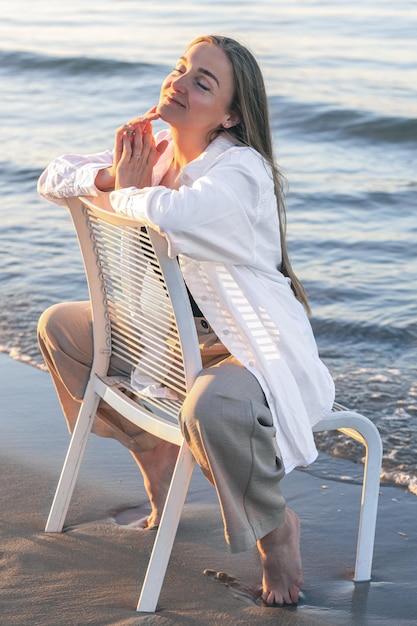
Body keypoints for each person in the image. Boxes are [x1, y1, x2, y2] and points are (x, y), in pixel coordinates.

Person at [37, 34, 335, 607]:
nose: (181, 81)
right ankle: (153, 451)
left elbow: (174, 212)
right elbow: (56, 175)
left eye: (204, 81)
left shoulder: (241, 173)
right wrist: (110, 180)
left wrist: (127, 186)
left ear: (231, 114)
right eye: (181, 68)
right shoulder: (155, 151)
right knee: (61, 328)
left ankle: (276, 532)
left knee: (211, 408)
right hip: (167, 338)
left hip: (247, 345)